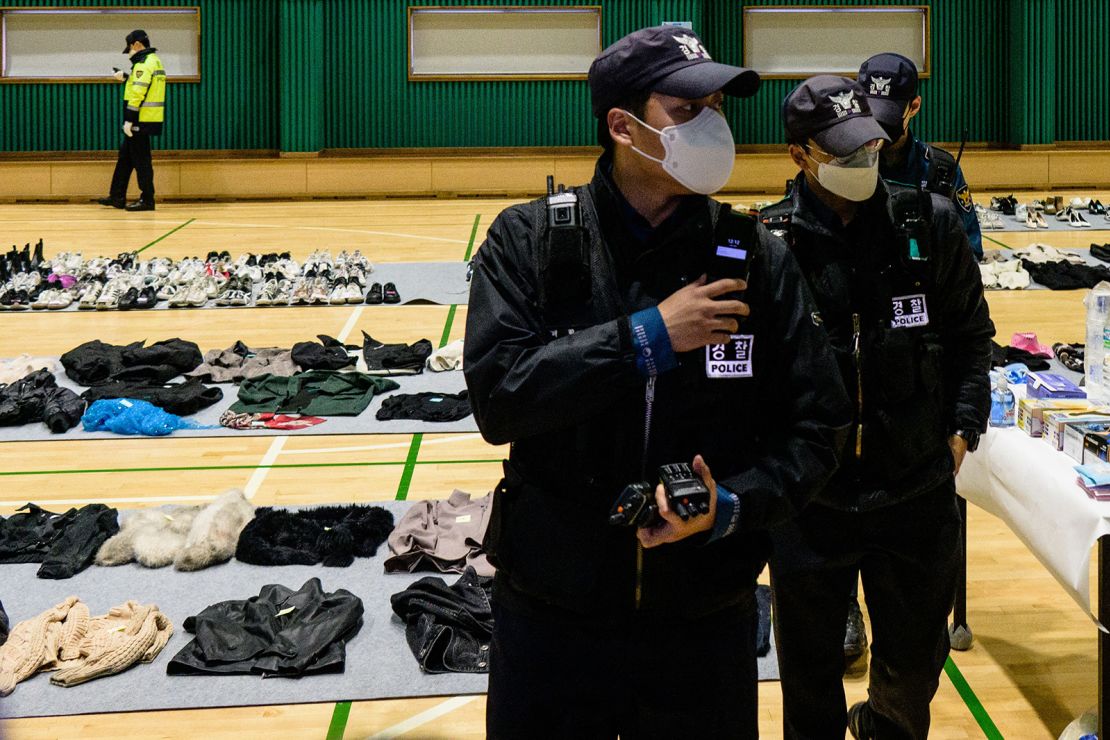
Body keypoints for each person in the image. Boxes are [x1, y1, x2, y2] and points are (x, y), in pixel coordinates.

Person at [464, 26, 852, 739]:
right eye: (687, 109)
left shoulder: (756, 258)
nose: (713, 126)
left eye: (719, 109)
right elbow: (499, 398)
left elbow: (819, 428)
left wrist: (733, 505)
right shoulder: (528, 242)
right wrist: (647, 337)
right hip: (553, 616)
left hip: (702, 621)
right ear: (622, 125)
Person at [759, 76, 994, 739]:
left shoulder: (930, 222)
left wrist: (962, 430)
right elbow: (741, 373)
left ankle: (885, 723)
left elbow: (973, 340)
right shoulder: (767, 245)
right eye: (842, 150)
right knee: (808, 680)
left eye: (868, 144)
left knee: (914, 671)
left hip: (915, 493)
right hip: (812, 506)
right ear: (799, 155)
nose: (863, 159)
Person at [858, 52, 983, 259]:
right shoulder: (843, 165)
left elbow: (971, 250)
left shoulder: (940, 170)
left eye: (887, 115)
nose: (877, 124)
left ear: (914, 107)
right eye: (869, 113)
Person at [97, 30, 165, 212]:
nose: (129, 53)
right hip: (144, 119)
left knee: (142, 161)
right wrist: (126, 78)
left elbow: (138, 94)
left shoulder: (144, 64)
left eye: (129, 49)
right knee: (125, 159)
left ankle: (147, 200)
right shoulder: (152, 62)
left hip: (140, 121)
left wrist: (129, 120)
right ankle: (117, 196)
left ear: (136, 45)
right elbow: (140, 86)